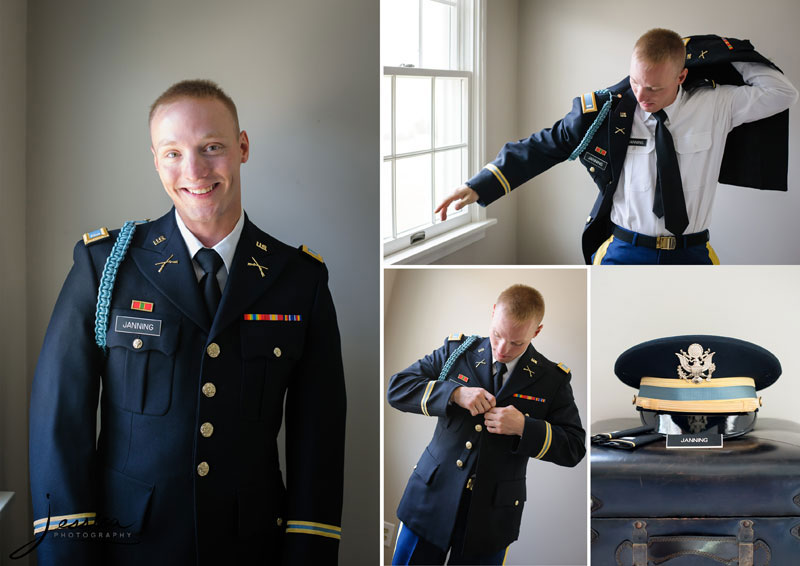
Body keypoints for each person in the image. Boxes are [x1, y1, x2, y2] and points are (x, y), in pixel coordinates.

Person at [28, 80, 347, 565]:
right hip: (128, 548)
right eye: (173, 153)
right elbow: (59, 425)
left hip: (251, 548)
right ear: (155, 160)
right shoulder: (106, 266)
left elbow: (319, 443)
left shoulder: (299, 281)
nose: (194, 170)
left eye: (211, 147)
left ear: (242, 147)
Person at [435, 29, 799, 265]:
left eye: (655, 88)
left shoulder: (718, 105)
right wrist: (477, 185)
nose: (642, 96)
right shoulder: (611, 110)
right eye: (636, 82)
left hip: (692, 252)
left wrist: (722, 52)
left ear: (681, 76)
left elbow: (782, 93)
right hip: (625, 251)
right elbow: (546, 144)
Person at [387, 284, 585, 565]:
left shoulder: (552, 379)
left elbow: (575, 447)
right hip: (429, 502)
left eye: (516, 342)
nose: (503, 349)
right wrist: (454, 393)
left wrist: (524, 427)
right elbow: (397, 389)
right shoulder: (457, 352)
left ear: (536, 331)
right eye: (497, 335)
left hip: (491, 520)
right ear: (493, 314)